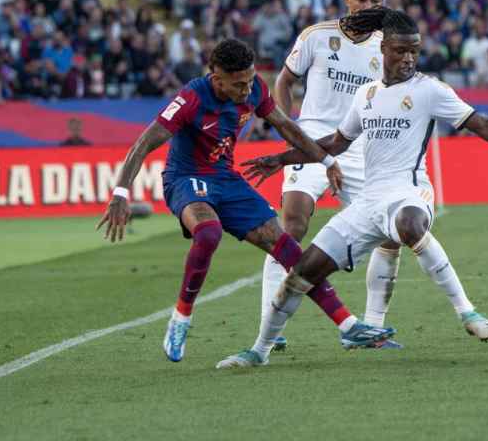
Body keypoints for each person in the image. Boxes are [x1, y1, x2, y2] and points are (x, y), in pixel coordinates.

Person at [216, 8, 488, 369]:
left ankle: (467, 312)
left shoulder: (431, 90)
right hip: (368, 204)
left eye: (414, 51)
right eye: (400, 51)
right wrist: (280, 159)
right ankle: (259, 351)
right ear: (384, 50)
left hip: (409, 192)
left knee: (408, 226)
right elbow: (334, 143)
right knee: (301, 272)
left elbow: (482, 125)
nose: (407, 58)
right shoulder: (367, 95)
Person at [96, 39, 393, 363]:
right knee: (208, 233)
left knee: (289, 249)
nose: (246, 89)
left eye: (250, 80)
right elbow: (143, 143)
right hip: (186, 178)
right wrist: (120, 193)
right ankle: (181, 319)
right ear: (216, 77)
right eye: (238, 84)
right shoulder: (192, 98)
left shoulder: (253, 90)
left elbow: (288, 128)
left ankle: (347, 324)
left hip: (226, 179)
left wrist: (325, 161)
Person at [265, 0, 474, 352]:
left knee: (389, 234)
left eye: (375, 1)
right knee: (292, 224)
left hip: (360, 147)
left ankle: (373, 327)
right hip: (313, 138)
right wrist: (287, 126)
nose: (368, 6)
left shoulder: (387, 45)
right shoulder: (316, 36)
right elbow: (284, 80)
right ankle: (271, 325)